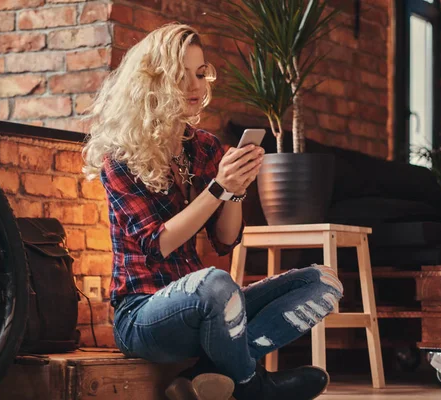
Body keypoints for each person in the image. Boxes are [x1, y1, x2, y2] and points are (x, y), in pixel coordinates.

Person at [82, 23, 344, 400]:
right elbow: (159, 245)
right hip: (142, 316)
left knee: (322, 283)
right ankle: (254, 386)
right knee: (217, 284)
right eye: (181, 75)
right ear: (153, 81)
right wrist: (218, 188)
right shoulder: (120, 157)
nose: (196, 85)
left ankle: (203, 377)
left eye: (200, 73)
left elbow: (224, 240)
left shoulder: (203, 147)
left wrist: (235, 191)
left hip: (208, 306)